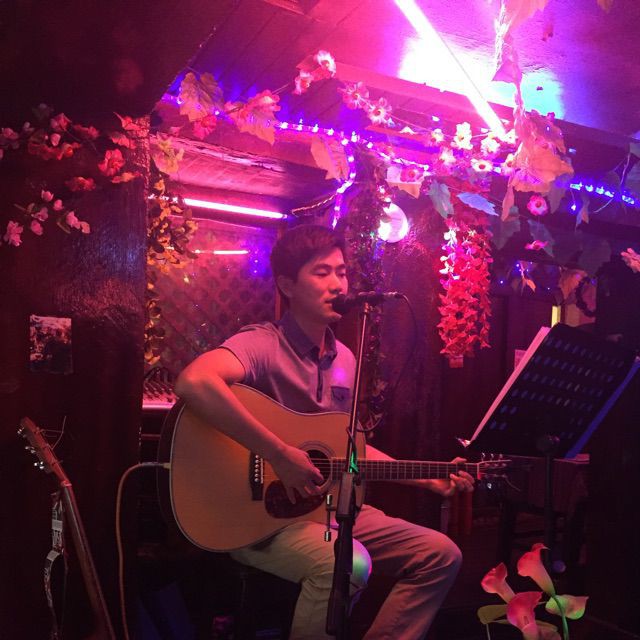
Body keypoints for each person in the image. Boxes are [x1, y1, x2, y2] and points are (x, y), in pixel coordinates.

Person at [175, 224, 474, 639]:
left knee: (440, 554)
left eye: (342, 272)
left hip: (327, 511)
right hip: (259, 518)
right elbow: (194, 382)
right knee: (349, 562)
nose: (338, 284)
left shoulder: (344, 359)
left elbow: (348, 450)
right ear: (287, 285)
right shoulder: (262, 344)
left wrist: (428, 479)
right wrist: (278, 453)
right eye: (322, 272)